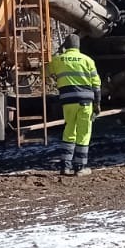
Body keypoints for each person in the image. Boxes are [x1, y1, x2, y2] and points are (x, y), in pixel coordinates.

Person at [47, 33, 101, 176]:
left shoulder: (58, 60)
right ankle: (80, 168)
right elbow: (96, 85)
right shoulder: (87, 60)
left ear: (66, 46)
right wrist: (97, 104)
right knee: (83, 133)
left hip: (67, 102)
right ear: (78, 46)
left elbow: (46, 72)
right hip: (85, 102)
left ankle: (65, 166)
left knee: (69, 131)